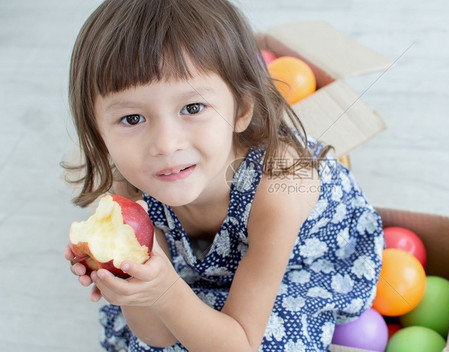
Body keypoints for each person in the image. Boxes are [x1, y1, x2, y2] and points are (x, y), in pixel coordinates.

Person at [63, 0, 384, 351]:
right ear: (97, 131)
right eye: (133, 119)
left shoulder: (278, 187)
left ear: (242, 109)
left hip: (298, 260)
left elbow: (239, 346)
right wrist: (134, 284)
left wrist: (167, 291)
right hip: (217, 267)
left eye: (193, 108)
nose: (166, 144)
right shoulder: (131, 190)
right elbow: (157, 336)